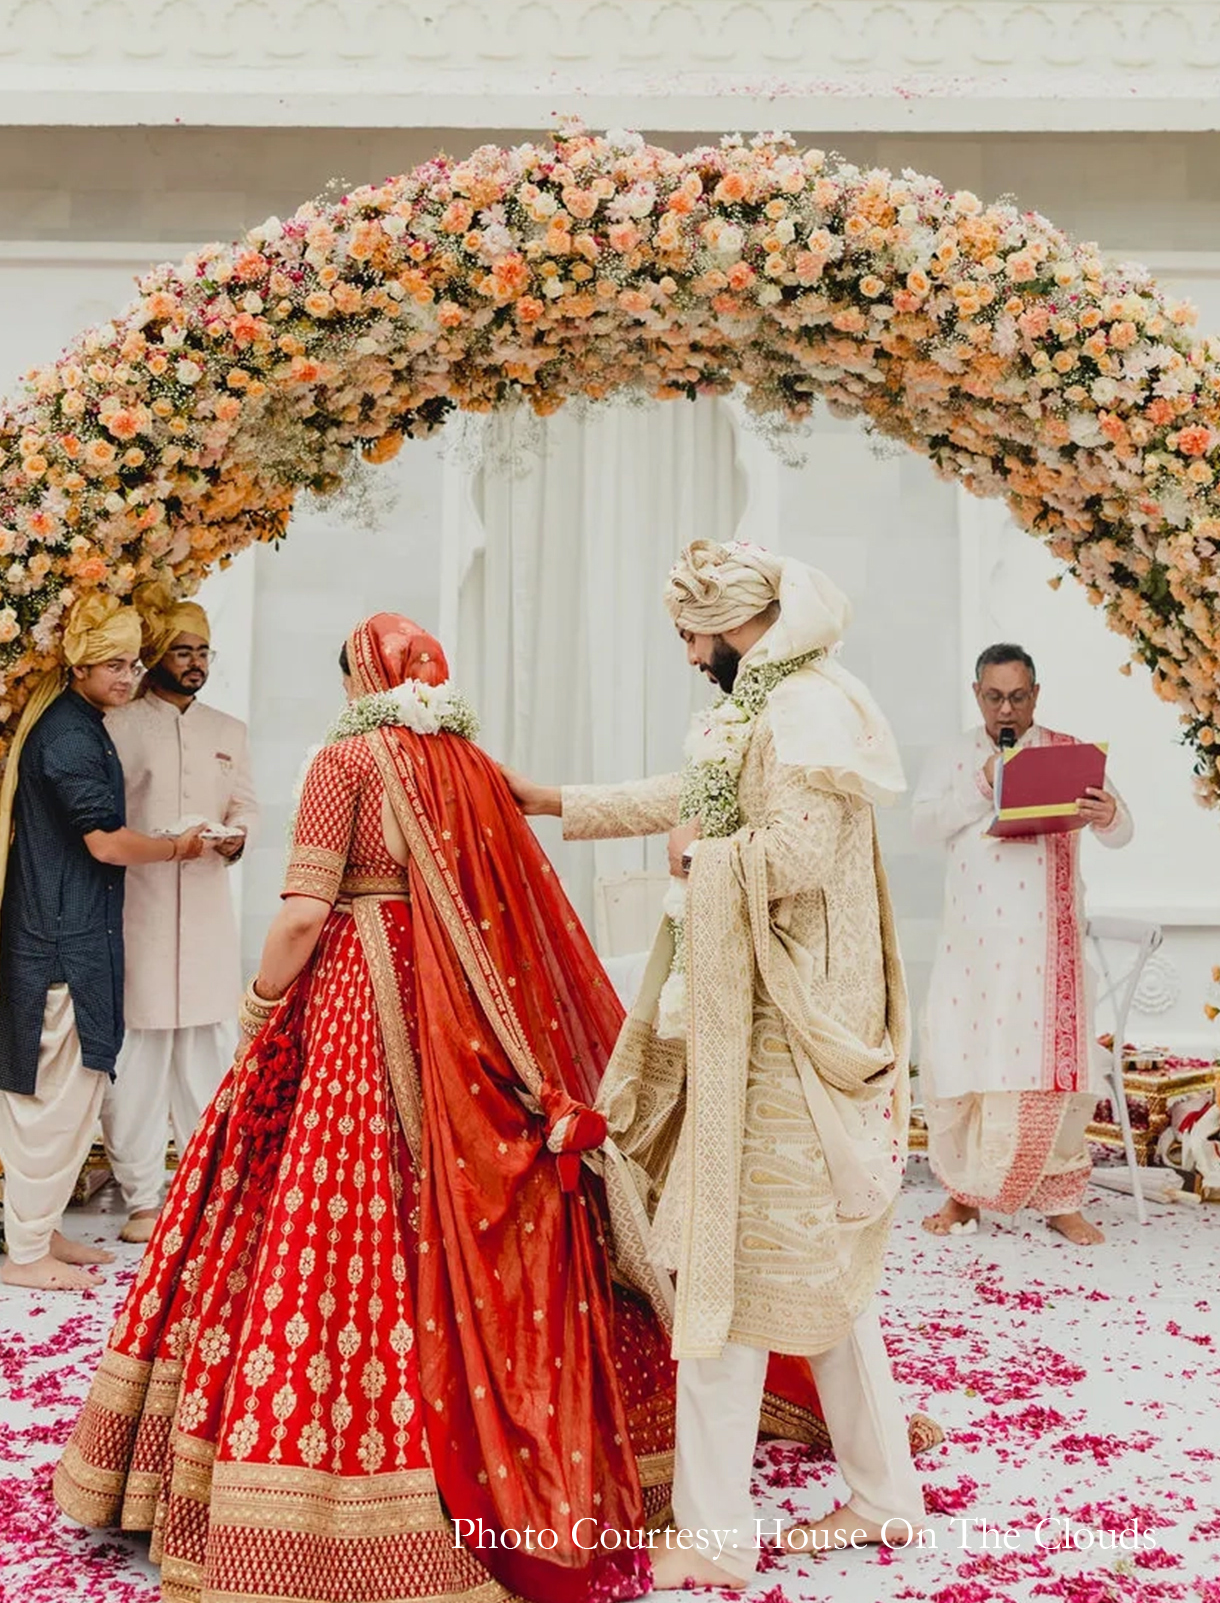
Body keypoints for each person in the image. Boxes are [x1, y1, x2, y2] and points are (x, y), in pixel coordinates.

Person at [56, 612, 844, 1603]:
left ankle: (331, 1495)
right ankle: (622, 1450)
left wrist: (261, 1009)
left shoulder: (346, 759)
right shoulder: (467, 762)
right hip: (468, 1015)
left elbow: (304, 908)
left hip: (354, 1004)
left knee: (334, 1219)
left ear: (359, 680)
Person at [506, 540, 929, 1590]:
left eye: (691, 637)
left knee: (725, 1274)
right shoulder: (771, 703)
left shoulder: (803, 714)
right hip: (755, 1022)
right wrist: (553, 800)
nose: (689, 657)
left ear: (729, 625)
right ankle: (882, 1497)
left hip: (781, 1034)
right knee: (808, 1278)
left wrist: (700, 859)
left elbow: (795, 855)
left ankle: (710, 1536)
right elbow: (694, 791)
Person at [0, 593, 206, 1293]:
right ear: (80, 665)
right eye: (113, 664)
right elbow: (107, 843)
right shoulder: (70, 737)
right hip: (58, 942)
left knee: (74, 1094)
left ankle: (42, 1228)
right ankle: (24, 1254)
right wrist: (181, 847)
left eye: (134, 662)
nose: (128, 676)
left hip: (70, 933)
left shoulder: (80, 723)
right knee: (50, 1099)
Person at [912, 642, 1133, 1248]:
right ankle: (964, 1194)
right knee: (968, 1061)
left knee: (1052, 1071)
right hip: (973, 946)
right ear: (976, 693)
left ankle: (1061, 1200)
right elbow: (922, 826)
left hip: (1047, 948)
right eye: (993, 697)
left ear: (1036, 694)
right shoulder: (953, 755)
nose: (1005, 709)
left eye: (1016, 697)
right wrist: (982, 786)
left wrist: (1108, 814)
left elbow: (1123, 831)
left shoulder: (1068, 754)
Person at [101, 585, 258, 1244]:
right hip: (139, 909)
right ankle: (141, 1196)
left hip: (205, 913)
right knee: (137, 1059)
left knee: (205, 1054)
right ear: (155, 656)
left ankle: (202, 1187)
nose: (195, 663)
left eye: (203, 652)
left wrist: (236, 838)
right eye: (181, 651)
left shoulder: (229, 731)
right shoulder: (118, 726)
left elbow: (246, 808)